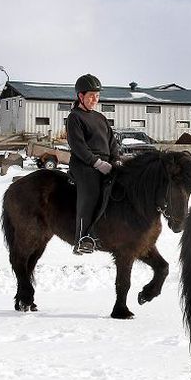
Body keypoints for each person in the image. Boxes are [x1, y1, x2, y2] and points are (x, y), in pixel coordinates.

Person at [66, 73, 120, 255]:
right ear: (80, 96)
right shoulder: (75, 117)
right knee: (92, 192)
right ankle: (83, 238)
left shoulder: (100, 117)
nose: (94, 99)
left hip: (106, 161)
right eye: (91, 96)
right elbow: (78, 146)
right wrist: (97, 163)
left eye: (97, 96)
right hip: (84, 164)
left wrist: (116, 159)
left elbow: (112, 141)